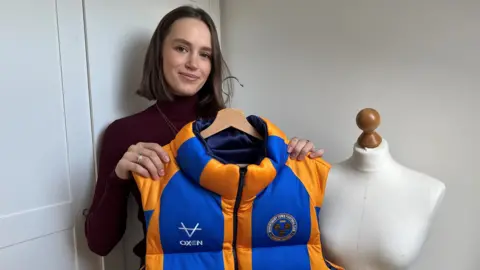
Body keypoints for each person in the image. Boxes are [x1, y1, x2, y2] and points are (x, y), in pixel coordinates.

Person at [84, 5, 325, 268]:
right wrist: (119, 177)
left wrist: (297, 159)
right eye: (181, 48)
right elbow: (99, 244)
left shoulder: (240, 132)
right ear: (159, 54)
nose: (193, 64)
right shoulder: (125, 134)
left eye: (205, 54)